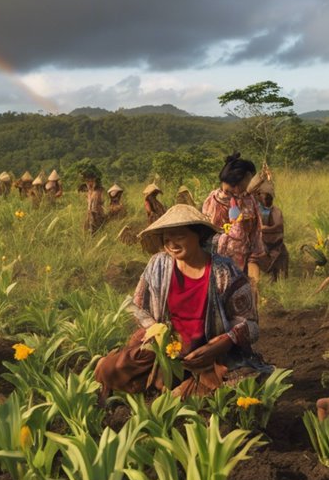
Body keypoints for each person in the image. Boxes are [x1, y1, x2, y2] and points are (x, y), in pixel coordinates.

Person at [94, 205, 270, 398]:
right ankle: (170, 381)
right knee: (109, 370)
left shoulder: (224, 272)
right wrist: (158, 333)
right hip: (166, 352)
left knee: (242, 381)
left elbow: (251, 326)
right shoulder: (158, 265)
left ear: (199, 235)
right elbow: (137, 307)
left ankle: (175, 386)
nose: (172, 244)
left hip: (209, 357)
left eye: (180, 236)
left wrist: (221, 344)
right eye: (167, 238)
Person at [202, 153, 265, 293]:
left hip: (245, 263)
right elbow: (206, 238)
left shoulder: (249, 200)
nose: (250, 183)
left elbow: (255, 233)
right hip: (217, 266)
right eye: (248, 179)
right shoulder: (212, 202)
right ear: (238, 181)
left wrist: (253, 268)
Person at [256, 182, 288, 281]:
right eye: (266, 197)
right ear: (258, 196)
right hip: (260, 244)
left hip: (275, 243)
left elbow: (279, 225)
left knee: (281, 257)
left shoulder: (276, 211)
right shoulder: (255, 209)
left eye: (270, 197)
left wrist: (267, 229)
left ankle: (277, 278)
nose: (269, 200)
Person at [83, 168, 106, 233]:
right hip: (90, 215)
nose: (90, 183)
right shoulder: (89, 193)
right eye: (88, 181)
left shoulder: (98, 192)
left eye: (92, 181)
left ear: (95, 181)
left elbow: (97, 207)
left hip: (97, 215)